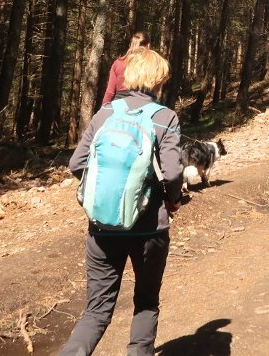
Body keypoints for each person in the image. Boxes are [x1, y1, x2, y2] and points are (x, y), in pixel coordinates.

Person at [63, 48, 183, 356]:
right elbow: (171, 173)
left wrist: (103, 193)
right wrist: (173, 201)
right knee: (145, 302)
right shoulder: (165, 117)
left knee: (96, 311)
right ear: (159, 81)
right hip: (148, 231)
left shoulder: (106, 114)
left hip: (102, 227)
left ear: (128, 76)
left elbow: (77, 163)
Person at [100, 31, 149, 107]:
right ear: (148, 45)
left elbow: (110, 92)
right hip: (140, 106)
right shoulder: (147, 64)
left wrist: (103, 110)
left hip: (118, 105)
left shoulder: (118, 63)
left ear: (131, 44)